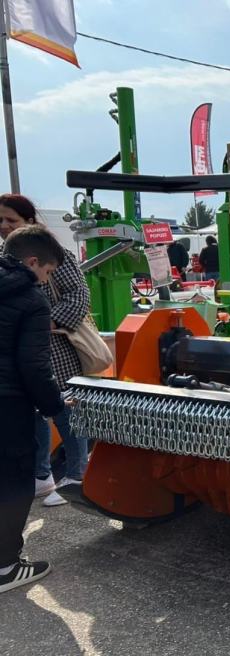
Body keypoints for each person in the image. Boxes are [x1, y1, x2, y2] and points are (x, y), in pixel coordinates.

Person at [0, 194, 90, 505]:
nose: (4, 226)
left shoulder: (52, 256)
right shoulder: (6, 261)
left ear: (28, 221)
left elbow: (79, 296)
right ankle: (42, 475)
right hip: (22, 354)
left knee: (65, 411)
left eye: (11, 220)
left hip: (56, 347)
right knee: (35, 415)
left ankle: (77, 473)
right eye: (0, 220)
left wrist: (45, 322)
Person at [0, 225, 66, 593]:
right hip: (8, 404)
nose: (46, 280)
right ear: (32, 262)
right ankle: (6, 567)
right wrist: (55, 405)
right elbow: (34, 367)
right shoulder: (31, 299)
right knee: (13, 482)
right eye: (48, 272)